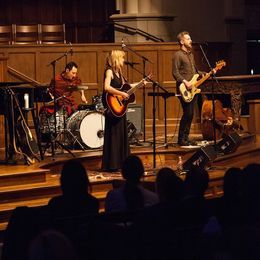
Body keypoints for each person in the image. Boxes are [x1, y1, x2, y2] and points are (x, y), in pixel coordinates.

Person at [102, 50, 148, 172]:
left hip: (120, 109)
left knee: (121, 135)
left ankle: (121, 163)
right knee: (113, 135)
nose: (123, 60)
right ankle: (111, 164)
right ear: (116, 59)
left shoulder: (120, 74)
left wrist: (139, 83)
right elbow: (106, 87)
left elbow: (127, 87)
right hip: (112, 108)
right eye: (122, 58)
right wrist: (121, 93)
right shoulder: (109, 71)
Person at [172, 31, 205, 146]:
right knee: (188, 113)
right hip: (183, 88)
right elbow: (175, 72)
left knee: (191, 114)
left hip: (193, 88)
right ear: (182, 41)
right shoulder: (177, 55)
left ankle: (186, 138)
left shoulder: (191, 54)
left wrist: (204, 73)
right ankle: (181, 139)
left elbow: (195, 72)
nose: (190, 40)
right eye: (188, 38)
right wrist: (185, 82)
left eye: (190, 38)